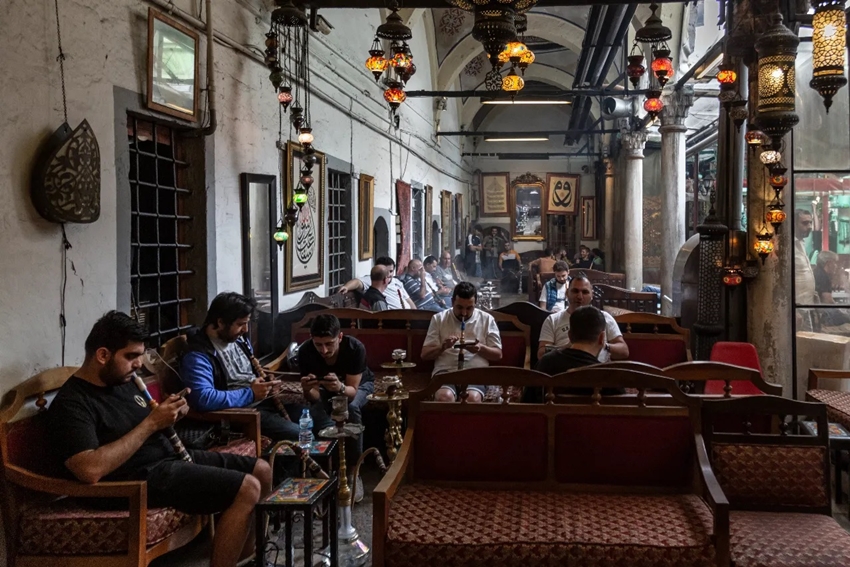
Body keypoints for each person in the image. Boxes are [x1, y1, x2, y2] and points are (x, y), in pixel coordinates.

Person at [48, 311, 271, 567]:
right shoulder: (72, 403)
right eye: (131, 356)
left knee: (261, 469)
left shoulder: (122, 381)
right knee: (247, 488)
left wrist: (172, 415)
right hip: (136, 481)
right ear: (102, 355)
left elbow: (145, 425)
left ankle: (248, 559)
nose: (139, 365)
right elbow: (89, 469)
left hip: (166, 461)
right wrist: (152, 423)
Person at [181, 292, 301, 441]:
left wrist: (265, 382)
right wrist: (251, 394)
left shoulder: (238, 340)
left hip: (262, 401)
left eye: (247, 323)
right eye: (240, 324)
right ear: (220, 322)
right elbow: (203, 398)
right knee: (300, 434)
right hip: (242, 414)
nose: (245, 330)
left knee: (315, 417)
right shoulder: (198, 356)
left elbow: (248, 374)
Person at [298, 314, 372, 502]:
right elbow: (314, 397)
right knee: (314, 412)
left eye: (329, 344)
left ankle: (354, 473)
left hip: (358, 386)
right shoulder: (305, 351)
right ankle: (324, 469)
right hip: (326, 389)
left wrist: (339, 387)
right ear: (311, 339)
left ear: (340, 337)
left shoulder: (354, 348)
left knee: (350, 408)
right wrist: (307, 389)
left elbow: (352, 392)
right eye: (318, 345)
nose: (324, 350)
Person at [421, 282, 502, 403]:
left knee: (472, 398)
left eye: (469, 308)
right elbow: (425, 355)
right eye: (459, 307)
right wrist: (443, 347)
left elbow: (498, 355)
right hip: (445, 372)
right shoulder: (439, 319)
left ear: (475, 304)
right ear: (452, 302)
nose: (464, 313)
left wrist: (481, 348)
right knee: (444, 397)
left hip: (476, 372)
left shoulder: (487, 319)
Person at [533, 306, 626, 398]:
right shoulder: (610, 378)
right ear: (602, 338)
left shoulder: (545, 364)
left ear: (570, 336)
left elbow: (530, 401)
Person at [537, 276, 629, 361]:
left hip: (598, 370)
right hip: (564, 369)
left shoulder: (605, 317)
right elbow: (541, 355)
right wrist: (568, 348)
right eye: (575, 291)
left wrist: (602, 345)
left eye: (585, 292)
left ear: (592, 295)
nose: (579, 297)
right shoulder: (552, 320)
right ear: (567, 293)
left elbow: (624, 351)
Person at [337, 256, 417, 309]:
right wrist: (346, 287)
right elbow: (357, 282)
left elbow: (409, 301)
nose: (389, 275)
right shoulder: (374, 280)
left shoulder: (397, 282)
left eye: (391, 271)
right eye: (386, 271)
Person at [795, 209, 818, 305]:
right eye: (805, 223)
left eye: (810, 223)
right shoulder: (788, 246)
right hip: (796, 305)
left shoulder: (801, 243)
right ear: (794, 224)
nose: (809, 226)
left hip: (807, 303)